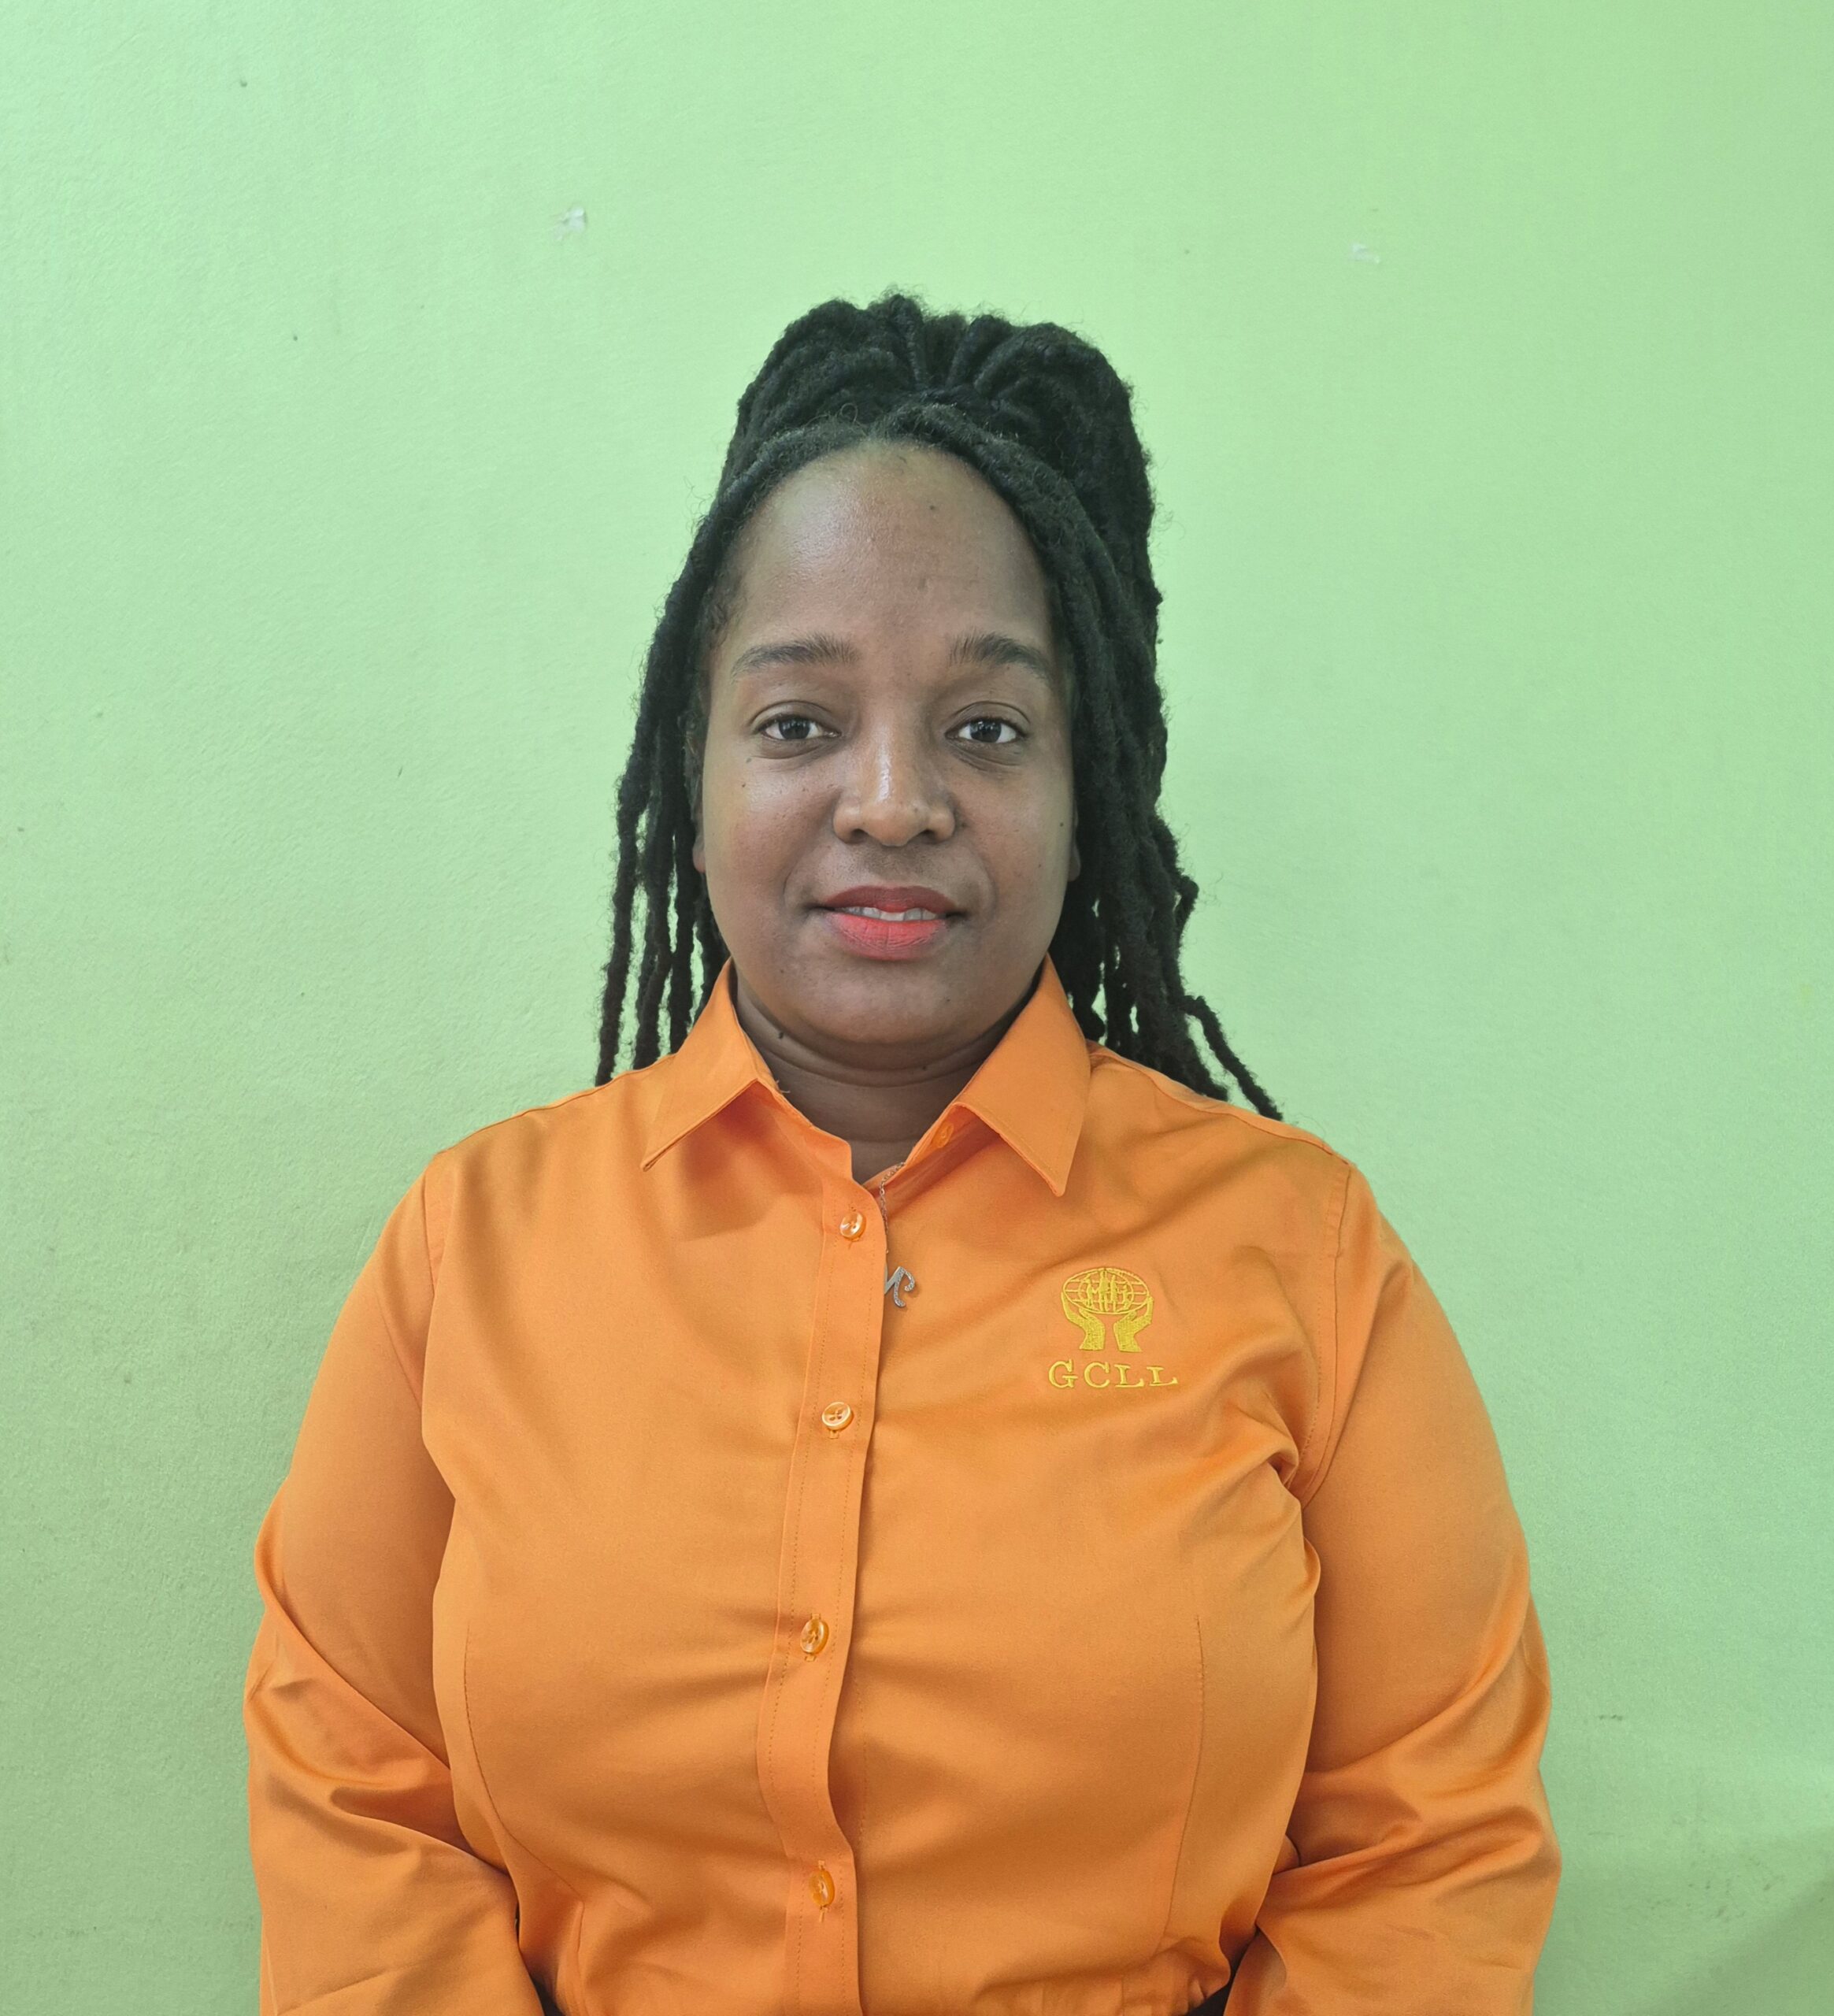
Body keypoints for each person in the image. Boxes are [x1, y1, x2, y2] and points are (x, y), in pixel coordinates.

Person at [243, 294, 1560, 2015]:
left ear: (1089, 791)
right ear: (691, 777)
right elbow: (353, 1793)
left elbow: (1426, 1849)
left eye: (986, 728)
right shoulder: (470, 1247)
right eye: (798, 722)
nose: (890, 800)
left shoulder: (1301, 1253)